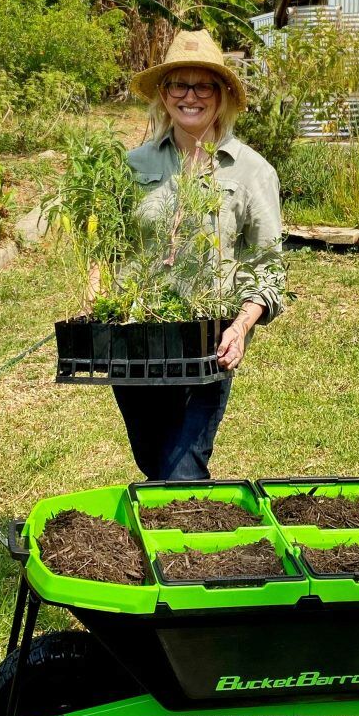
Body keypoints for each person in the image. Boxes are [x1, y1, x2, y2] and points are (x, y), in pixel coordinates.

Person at [113, 28, 286, 481]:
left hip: (209, 343)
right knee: (154, 464)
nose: (190, 96)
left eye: (203, 85)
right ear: (163, 94)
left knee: (182, 472)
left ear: (222, 94)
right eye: (177, 84)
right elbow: (109, 247)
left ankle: (194, 547)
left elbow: (267, 266)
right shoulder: (134, 166)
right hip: (136, 343)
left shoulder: (251, 171)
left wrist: (242, 325)